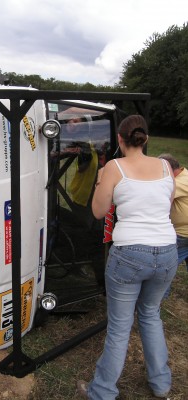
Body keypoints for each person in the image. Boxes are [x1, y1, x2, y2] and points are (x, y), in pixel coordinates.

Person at [77, 115, 178, 399]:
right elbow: (166, 207)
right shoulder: (165, 166)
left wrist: (100, 183)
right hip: (167, 252)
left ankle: (103, 391)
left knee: (120, 328)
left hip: (130, 254)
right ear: (145, 138)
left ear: (120, 140)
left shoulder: (113, 167)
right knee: (150, 315)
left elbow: (99, 212)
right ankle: (161, 384)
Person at [158, 154, 188, 272]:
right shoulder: (185, 173)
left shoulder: (177, 183)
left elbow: (156, 198)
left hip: (182, 234)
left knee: (164, 271)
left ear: (168, 170)